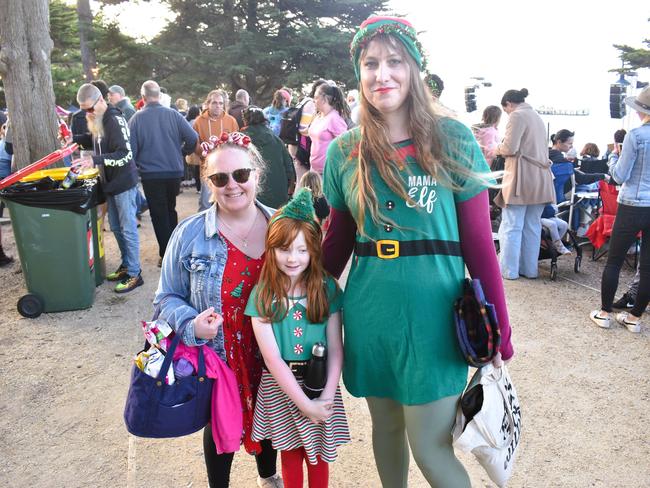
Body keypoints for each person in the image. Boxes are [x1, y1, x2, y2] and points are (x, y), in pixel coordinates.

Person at [322, 16, 513, 487]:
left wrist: (500, 330)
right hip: (370, 311)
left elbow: (479, 246)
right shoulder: (345, 151)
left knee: (430, 447)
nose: (381, 74)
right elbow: (337, 243)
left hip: (434, 315)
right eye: (370, 64)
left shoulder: (453, 139)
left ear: (414, 70)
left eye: (394, 62)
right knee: (385, 428)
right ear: (358, 74)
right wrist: (293, 294)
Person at [153, 131, 282, 488]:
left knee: (269, 416)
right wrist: (192, 324)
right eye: (220, 178)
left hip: (273, 352)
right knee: (221, 426)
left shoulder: (283, 228)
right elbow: (165, 297)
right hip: (220, 356)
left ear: (256, 173)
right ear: (208, 183)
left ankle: (268, 477)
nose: (232, 186)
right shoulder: (189, 234)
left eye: (241, 175)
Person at [246, 188, 349, 488]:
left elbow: (336, 348)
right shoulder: (264, 295)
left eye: (302, 250)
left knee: (318, 457)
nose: (293, 259)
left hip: (320, 384)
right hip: (282, 388)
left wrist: (327, 396)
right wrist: (304, 404)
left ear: (313, 251)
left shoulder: (326, 289)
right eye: (284, 249)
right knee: (290, 455)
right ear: (271, 248)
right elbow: (272, 358)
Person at [589, 85, 650, 333]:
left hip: (632, 204)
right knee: (647, 266)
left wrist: (615, 157)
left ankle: (604, 313)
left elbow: (620, 176)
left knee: (614, 260)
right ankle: (634, 318)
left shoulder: (635, 136)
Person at [74, 83, 143, 292]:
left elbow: (125, 154)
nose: (88, 113)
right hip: (110, 184)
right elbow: (98, 142)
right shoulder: (99, 119)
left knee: (128, 228)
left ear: (101, 101)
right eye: (84, 110)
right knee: (115, 227)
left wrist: (96, 160)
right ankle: (127, 265)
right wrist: (74, 141)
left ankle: (134, 273)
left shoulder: (114, 118)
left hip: (123, 182)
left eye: (90, 108)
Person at [129, 80, 198, 265]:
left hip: (152, 174)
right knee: (170, 209)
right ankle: (174, 249)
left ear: (143, 98)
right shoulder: (173, 115)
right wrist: (182, 152)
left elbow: (132, 152)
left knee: (159, 214)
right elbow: (193, 138)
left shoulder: (136, 119)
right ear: (159, 95)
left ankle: (167, 253)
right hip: (173, 171)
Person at [495, 88, 555, 279]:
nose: (507, 114)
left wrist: (494, 149)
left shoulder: (517, 116)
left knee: (512, 225)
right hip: (540, 177)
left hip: (521, 177)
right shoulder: (536, 116)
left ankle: (509, 270)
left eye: (505, 110)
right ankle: (530, 270)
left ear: (509, 104)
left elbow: (509, 148)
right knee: (532, 226)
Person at [193, 89, 240, 211]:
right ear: (208, 104)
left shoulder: (231, 120)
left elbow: (237, 143)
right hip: (207, 168)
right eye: (214, 103)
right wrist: (205, 151)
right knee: (205, 203)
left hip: (228, 168)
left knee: (226, 202)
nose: (218, 106)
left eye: (220, 103)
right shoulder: (199, 121)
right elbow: (195, 144)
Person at [242, 106, 295, 208]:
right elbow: (289, 168)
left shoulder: (240, 141)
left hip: (251, 199)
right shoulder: (277, 140)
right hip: (277, 198)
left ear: (245, 120)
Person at [308, 83, 348, 175]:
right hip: (313, 169)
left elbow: (346, 146)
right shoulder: (318, 117)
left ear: (324, 99)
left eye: (316, 97)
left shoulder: (335, 119)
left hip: (328, 171)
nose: (313, 101)